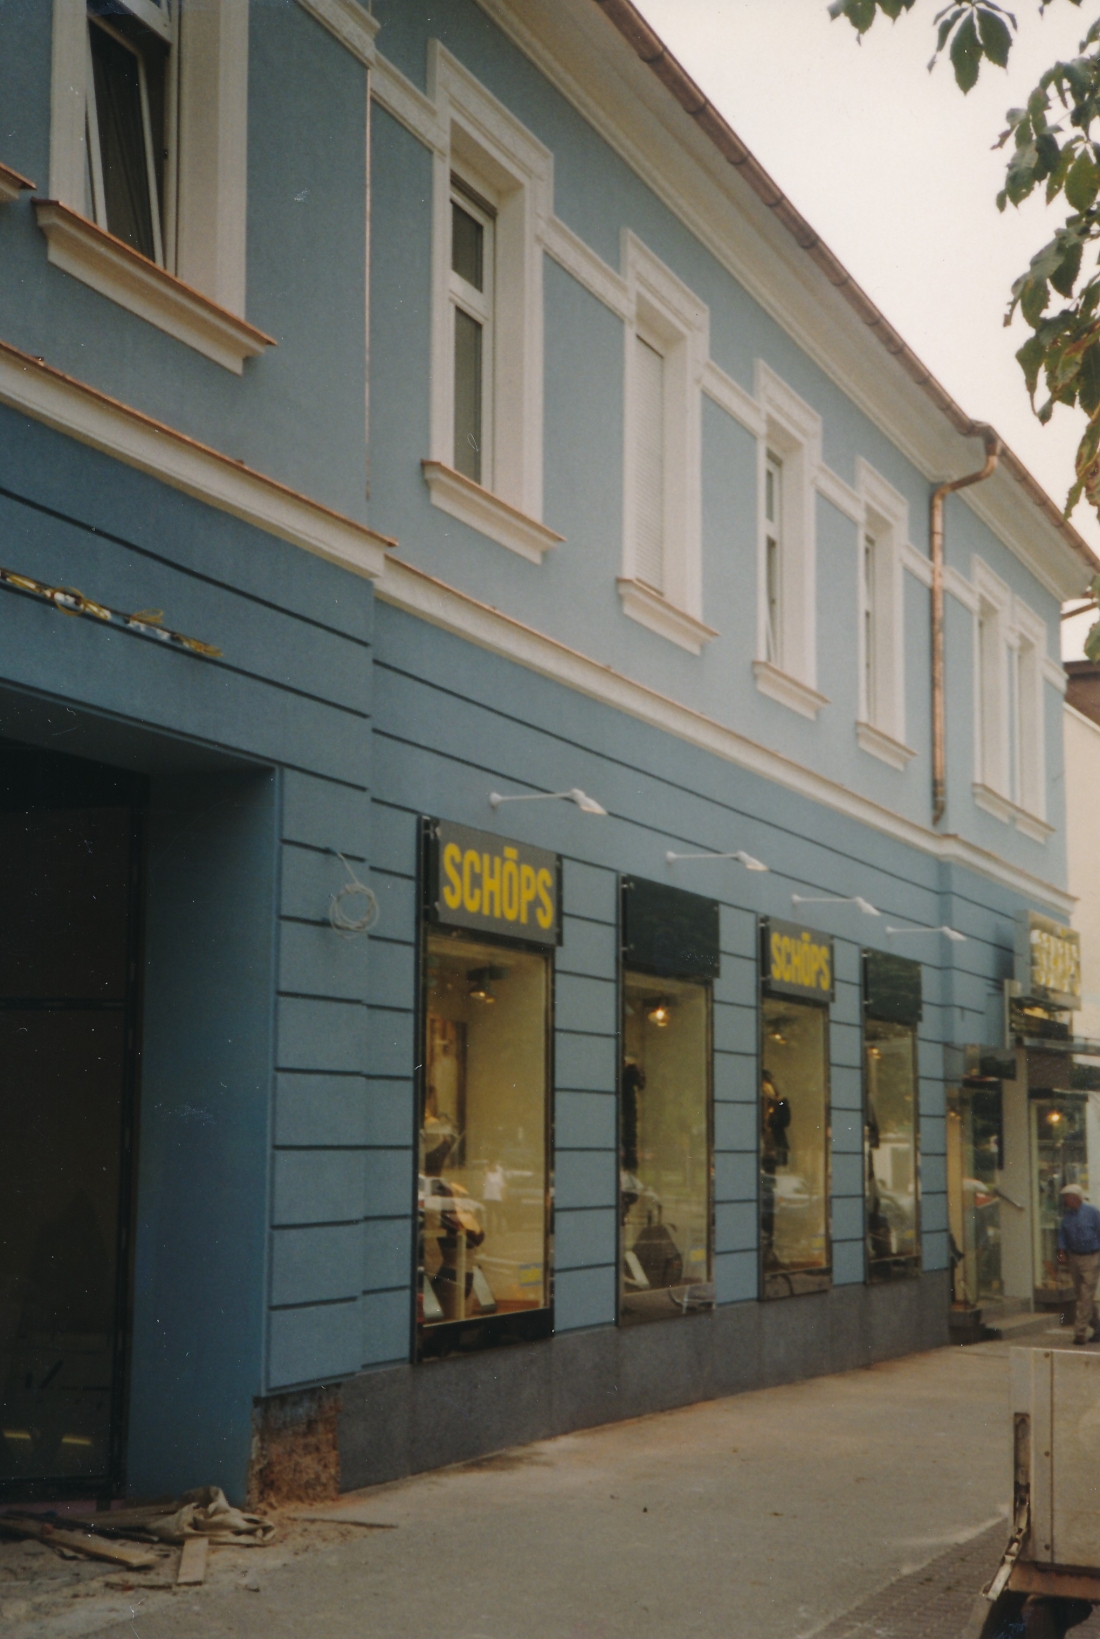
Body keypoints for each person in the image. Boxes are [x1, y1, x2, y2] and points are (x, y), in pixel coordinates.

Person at [1056, 1183, 1100, 1345]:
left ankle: (1079, 1332)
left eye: (1071, 1197)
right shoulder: (1067, 1216)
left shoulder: (1093, 1213)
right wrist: (1061, 1251)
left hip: (1091, 1256)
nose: (1069, 1200)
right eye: (1067, 1198)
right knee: (1082, 1295)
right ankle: (1097, 1325)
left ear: (1079, 1197)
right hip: (1074, 1257)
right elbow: (1062, 1234)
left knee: (1086, 1294)